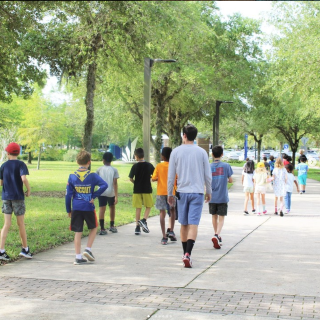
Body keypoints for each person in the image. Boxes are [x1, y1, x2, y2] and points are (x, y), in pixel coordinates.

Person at [167, 124, 212, 268]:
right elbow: (207, 175)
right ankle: (188, 254)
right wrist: (209, 191)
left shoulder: (176, 152)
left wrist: (169, 193)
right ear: (195, 136)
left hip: (182, 192)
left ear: (184, 135)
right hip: (197, 192)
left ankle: (185, 253)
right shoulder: (202, 152)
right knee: (194, 224)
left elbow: (171, 175)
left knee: (184, 224)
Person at [65, 150, 108, 265]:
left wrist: (68, 209)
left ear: (77, 161)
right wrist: (94, 195)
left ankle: (78, 257)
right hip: (89, 207)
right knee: (93, 227)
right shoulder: (93, 176)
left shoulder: (72, 177)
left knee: (78, 231)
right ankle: (88, 249)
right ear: (89, 162)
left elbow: (68, 195)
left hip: (76, 207)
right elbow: (105, 185)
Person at [0, 142, 32, 261]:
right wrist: (28, 189)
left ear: (8, 153)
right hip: (18, 197)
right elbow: (23, 178)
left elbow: (1, 183)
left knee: (6, 224)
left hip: (6, 197)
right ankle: (25, 249)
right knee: (20, 224)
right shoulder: (21, 164)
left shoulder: (3, 165)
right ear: (18, 153)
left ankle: (1, 250)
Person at [209, 146, 233, 249]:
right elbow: (231, 180)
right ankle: (217, 235)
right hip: (222, 196)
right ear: (222, 154)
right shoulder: (226, 166)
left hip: (212, 196)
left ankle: (216, 234)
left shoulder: (208, 167)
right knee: (221, 218)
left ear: (212, 155)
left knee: (214, 216)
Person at [152, 147, 177, 245]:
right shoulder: (174, 166)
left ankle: (164, 236)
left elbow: (154, 178)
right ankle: (171, 230)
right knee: (172, 210)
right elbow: (177, 179)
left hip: (161, 192)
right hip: (172, 192)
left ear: (162, 156)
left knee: (162, 213)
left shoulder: (159, 166)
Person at [129, 148, 155, 235]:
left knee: (138, 207)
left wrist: (135, 183)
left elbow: (130, 178)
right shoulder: (149, 165)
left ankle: (137, 227)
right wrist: (150, 179)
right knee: (149, 205)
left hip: (137, 189)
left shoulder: (134, 166)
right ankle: (144, 220)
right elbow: (155, 176)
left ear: (136, 156)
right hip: (147, 189)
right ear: (143, 155)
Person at [96, 152, 119, 235]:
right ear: (111, 160)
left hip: (101, 191)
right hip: (111, 192)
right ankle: (112, 225)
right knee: (112, 207)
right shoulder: (114, 169)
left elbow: (96, 180)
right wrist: (116, 196)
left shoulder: (99, 169)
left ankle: (102, 228)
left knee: (102, 209)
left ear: (103, 160)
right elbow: (115, 183)